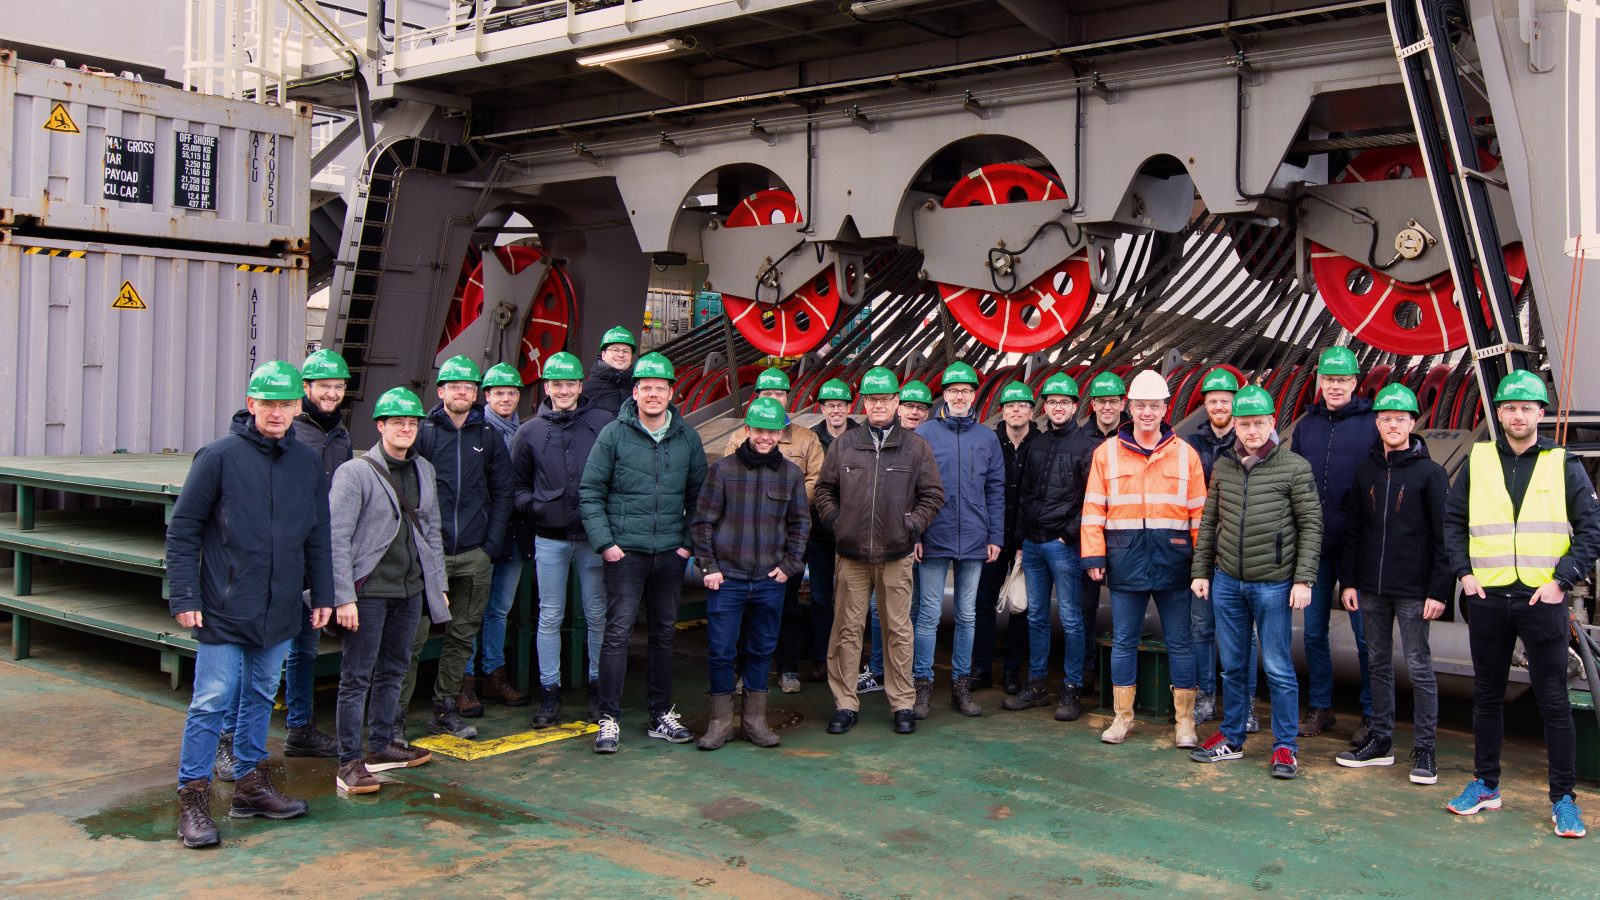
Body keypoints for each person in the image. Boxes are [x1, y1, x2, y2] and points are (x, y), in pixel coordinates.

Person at [167, 361, 335, 849]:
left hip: (281, 607)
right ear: (251, 404)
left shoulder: (306, 463)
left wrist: (322, 593)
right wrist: (185, 594)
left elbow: (319, 535)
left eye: (286, 404)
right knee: (212, 700)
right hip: (223, 604)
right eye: (269, 403)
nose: (278, 412)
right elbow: (183, 530)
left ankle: (249, 786)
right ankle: (193, 800)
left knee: (262, 695)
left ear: (297, 407)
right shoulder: (217, 457)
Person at [1443, 370, 1600, 838]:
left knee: (1553, 701)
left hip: (1541, 598)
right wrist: (1465, 575)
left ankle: (1563, 800)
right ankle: (1485, 784)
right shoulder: (1480, 459)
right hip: (1488, 598)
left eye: (1526, 408)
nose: (1517, 415)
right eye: (1509, 407)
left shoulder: (1562, 462)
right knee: (1487, 696)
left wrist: (1562, 581)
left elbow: (1591, 529)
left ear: (1540, 413)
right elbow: (1453, 521)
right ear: (1499, 413)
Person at [213, 348, 350, 780]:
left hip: (311, 553)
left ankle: (299, 727)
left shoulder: (340, 436)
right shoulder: (285, 436)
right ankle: (228, 741)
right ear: (303, 391)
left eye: (338, 386)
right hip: (267, 563)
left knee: (305, 649)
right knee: (248, 659)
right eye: (322, 385)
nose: (330, 393)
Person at [1189, 386, 1322, 780]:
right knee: (1232, 666)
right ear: (1234, 425)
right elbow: (1210, 522)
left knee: (1278, 666)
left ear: (1271, 423)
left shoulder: (1294, 467)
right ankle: (1231, 737)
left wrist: (1304, 579)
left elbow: (1312, 526)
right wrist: (1201, 571)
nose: (1251, 431)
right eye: (1244, 424)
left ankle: (1285, 748)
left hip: (1274, 584)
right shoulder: (1224, 466)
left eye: (1258, 423)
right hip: (1228, 581)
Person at [581, 352, 708, 753]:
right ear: (634, 392)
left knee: (663, 636)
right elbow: (590, 492)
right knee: (617, 634)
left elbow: (701, 498)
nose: (653, 394)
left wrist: (687, 545)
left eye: (660, 387)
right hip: (626, 554)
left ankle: (660, 715)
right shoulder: (614, 435)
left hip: (670, 553)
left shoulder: (687, 438)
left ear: (672, 393)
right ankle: (608, 719)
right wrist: (607, 544)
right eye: (646, 387)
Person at [326, 387, 443, 795]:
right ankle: (349, 762)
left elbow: (431, 533)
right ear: (380, 426)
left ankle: (380, 746)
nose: (406, 429)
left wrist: (437, 587)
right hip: (369, 592)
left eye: (412, 423)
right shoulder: (355, 472)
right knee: (357, 676)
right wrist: (343, 596)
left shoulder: (423, 469)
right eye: (398, 422)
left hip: (409, 590)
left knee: (394, 669)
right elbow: (336, 538)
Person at [816, 367, 944, 736]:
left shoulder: (915, 447)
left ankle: (902, 703)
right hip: (851, 554)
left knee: (899, 630)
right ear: (865, 403)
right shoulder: (845, 444)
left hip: (896, 553)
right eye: (872, 399)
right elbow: (824, 489)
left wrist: (911, 525)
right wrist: (836, 521)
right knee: (846, 630)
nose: (878, 405)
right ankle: (845, 703)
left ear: (896, 402)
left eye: (885, 399)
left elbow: (933, 495)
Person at [1081, 369, 1204, 749]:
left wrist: (1201, 565)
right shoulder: (1106, 454)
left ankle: (1185, 722)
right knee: (1123, 641)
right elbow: (1092, 509)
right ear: (1129, 408)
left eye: (1154, 405)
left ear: (1165, 408)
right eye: (1140, 406)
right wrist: (1093, 556)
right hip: (1126, 558)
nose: (1147, 412)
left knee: (1181, 642)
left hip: (1175, 561)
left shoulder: (1186, 455)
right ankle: (1122, 718)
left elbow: (1200, 514)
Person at [1335, 384, 1451, 784]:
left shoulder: (1430, 474)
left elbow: (1445, 537)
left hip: (1414, 591)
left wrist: (1439, 591)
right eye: (1385, 418)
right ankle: (1381, 741)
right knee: (1378, 663)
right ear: (1377, 422)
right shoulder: (1366, 471)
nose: (1392, 425)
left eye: (1400, 418)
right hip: (1369, 587)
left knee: (1419, 666)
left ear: (1413, 423)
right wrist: (1348, 582)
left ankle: (1425, 749)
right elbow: (1354, 532)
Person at [396, 355, 513, 740]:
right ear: (441, 391)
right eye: (454, 386)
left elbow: (502, 492)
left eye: (469, 387)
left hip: (475, 554)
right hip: (430, 555)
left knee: (462, 634)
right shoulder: (425, 434)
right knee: (412, 637)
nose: (462, 392)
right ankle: (393, 720)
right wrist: (418, 545)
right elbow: (406, 491)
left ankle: (445, 708)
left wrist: (490, 545)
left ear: (476, 394)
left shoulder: (488, 437)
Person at [692, 398, 810, 750]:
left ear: (780, 434)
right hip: (727, 579)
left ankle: (755, 721)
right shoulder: (723, 471)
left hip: (768, 581)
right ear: (747, 430)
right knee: (721, 651)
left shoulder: (790, 474)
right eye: (759, 430)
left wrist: (789, 566)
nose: (764, 438)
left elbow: (800, 525)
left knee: (762, 650)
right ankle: (720, 722)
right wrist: (709, 567)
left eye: (771, 432)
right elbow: (702, 524)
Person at [511, 351, 616, 725]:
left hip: (592, 538)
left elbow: (616, 475)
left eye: (570, 383)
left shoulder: (602, 424)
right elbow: (518, 486)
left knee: (596, 615)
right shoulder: (529, 432)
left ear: (580, 386)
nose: (564, 390)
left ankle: (596, 689)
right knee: (549, 615)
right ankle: (550, 692)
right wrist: (538, 508)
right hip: (549, 539)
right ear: (547, 387)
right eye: (557, 383)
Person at [1288, 346, 1376, 742]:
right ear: (1320, 381)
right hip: (1314, 547)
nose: (1335, 386)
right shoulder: (1306, 426)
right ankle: (1321, 707)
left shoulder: (1373, 425)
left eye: (1342, 380)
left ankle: (1372, 713)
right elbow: (1290, 482)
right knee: (1312, 632)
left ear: (1355, 383)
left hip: (1359, 549)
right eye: (1329, 379)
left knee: (1365, 635)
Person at [720, 367, 825, 694]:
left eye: (779, 394)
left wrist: (784, 503)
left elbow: (816, 480)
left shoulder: (807, 439)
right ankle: (743, 670)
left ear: (788, 398)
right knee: (745, 606)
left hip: (789, 535)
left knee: (787, 604)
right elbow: (726, 482)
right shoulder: (739, 437)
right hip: (747, 538)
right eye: (767, 394)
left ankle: (788, 667)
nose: (773, 399)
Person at [1007, 372, 1100, 720]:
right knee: (1036, 616)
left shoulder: (1086, 448)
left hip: (1063, 546)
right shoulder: (1037, 444)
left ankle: (1072, 690)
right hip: (1033, 543)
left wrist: (1068, 534)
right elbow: (1026, 493)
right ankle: (1037, 685)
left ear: (1075, 406)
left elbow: (1092, 499)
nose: (1058, 407)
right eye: (1052, 402)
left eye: (1064, 402)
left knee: (1072, 619)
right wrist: (1021, 540)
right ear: (1044, 407)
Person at [914, 362, 1005, 718]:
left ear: (974, 395)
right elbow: (915, 489)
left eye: (966, 390)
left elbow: (995, 489)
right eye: (953, 390)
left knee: (967, 614)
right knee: (928, 615)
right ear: (945, 395)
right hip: (934, 535)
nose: (960, 396)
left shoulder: (986, 437)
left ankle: (961, 688)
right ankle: (922, 686)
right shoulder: (924, 434)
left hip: (974, 538)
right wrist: (917, 533)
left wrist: (995, 535)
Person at [1183, 367, 1258, 730]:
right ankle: (1205, 697)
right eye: (1212, 401)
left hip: (1239, 553)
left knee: (1245, 634)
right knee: (1201, 628)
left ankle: (1245, 706)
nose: (1217, 406)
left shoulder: (1250, 443)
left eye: (1224, 401)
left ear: (1235, 404)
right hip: (1201, 551)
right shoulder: (1190, 446)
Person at [858, 377, 934, 695]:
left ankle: (906, 672)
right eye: (909, 406)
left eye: (920, 408)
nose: (914, 413)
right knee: (878, 608)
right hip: (882, 541)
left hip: (916, 541)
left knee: (911, 610)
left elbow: (932, 495)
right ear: (897, 407)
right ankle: (877, 669)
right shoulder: (882, 441)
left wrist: (916, 532)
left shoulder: (926, 445)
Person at [469, 362, 532, 710]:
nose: (506, 398)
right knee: (471, 611)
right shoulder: (478, 434)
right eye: (499, 393)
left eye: (511, 392)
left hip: (516, 534)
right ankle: (465, 681)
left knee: (499, 611)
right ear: (487, 396)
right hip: (482, 533)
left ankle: (493, 675)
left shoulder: (528, 432)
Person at [972, 381, 1036, 693]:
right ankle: (981, 668)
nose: (1015, 410)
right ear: (1002, 411)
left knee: (1020, 607)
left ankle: (1013, 671)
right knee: (982, 602)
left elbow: (1040, 495)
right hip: (991, 538)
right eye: (1010, 405)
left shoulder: (1040, 444)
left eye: (1022, 405)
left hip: (1026, 540)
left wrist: (1026, 543)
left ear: (1031, 411)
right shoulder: (988, 442)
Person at [806, 378, 860, 683]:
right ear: (822, 408)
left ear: (849, 407)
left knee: (853, 599)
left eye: (840, 405)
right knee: (820, 597)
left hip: (853, 534)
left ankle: (849, 659)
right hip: (820, 534)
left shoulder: (860, 436)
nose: (835, 410)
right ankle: (821, 658)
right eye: (830, 405)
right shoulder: (813, 439)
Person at [583, 326, 637, 415]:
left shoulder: (639, 387)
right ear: (603, 355)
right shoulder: (587, 389)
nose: (621, 355)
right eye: (615, 350)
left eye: (626, 351)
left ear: (631, 356)